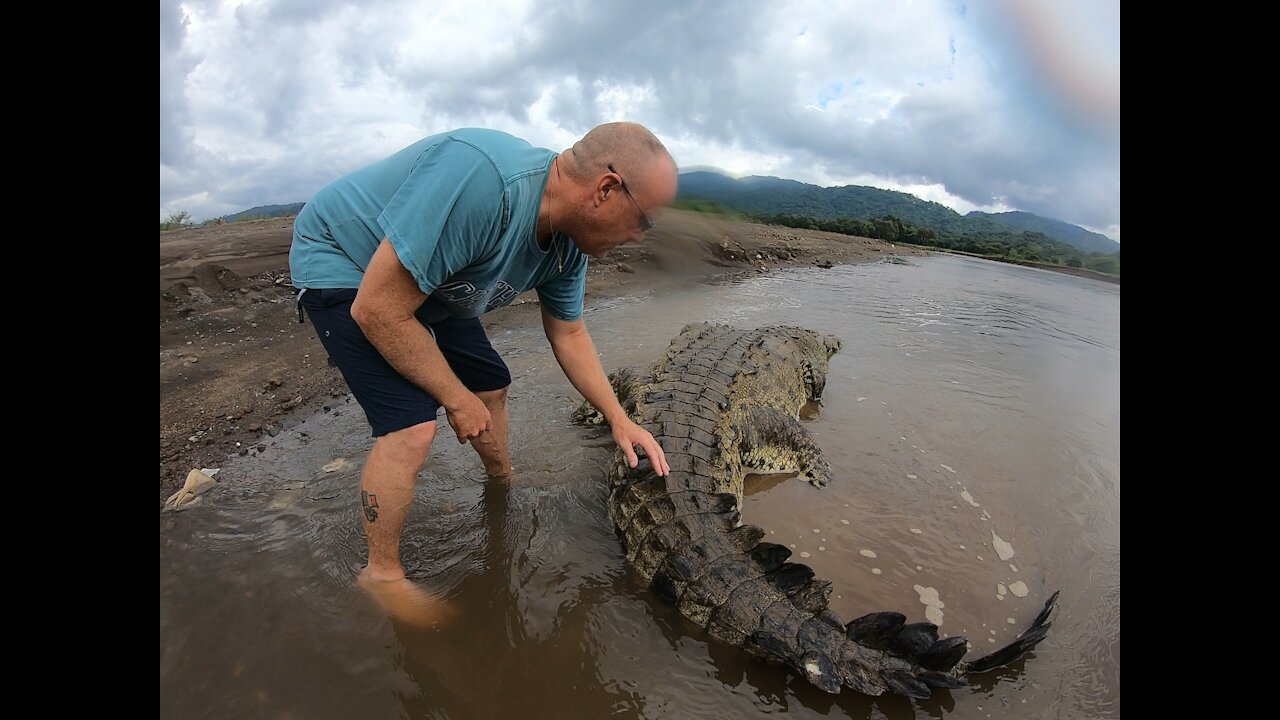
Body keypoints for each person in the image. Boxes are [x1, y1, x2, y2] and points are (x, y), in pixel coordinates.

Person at [289, 122, 676, 626]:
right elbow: (379, 311)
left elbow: (570, 335)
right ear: (606, 189)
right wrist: (454, 398)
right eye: (642, 223)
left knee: (491, 385)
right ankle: (380, 574)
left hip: (438, 279)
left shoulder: (567, 245)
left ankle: (500, 480)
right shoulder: (486, 184)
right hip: (347, 262)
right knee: (411, 427)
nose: (637, 238)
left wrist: (619, 419)